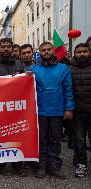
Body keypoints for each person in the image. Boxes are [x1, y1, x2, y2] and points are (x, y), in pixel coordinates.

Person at [28, 41, 75, 179]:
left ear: (53, 51)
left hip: (56, 111)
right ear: (40, 53)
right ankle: (41, 166)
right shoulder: (33, 70)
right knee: (41, 140)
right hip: (40, 112)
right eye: (43, 50)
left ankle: (54, 166)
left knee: (55, 140)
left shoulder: (63, 69)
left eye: (49, 49)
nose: (46, 52)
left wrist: (69, 108)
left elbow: (68, 90)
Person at [0, 38, 25, 177]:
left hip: (17, 108)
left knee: (17, 135)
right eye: (3, 47)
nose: (7, 49)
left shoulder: (20, 65)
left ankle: (17, 165)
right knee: (0, 136)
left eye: (9, 46)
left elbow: (25, 85)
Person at [69, 43, 91, 177]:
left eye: (85, 51)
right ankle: (81, 164)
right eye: (79, 52)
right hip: (77, 113)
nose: (82, 54)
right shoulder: (69, 69)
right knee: (79, 140)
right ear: (74, 54)